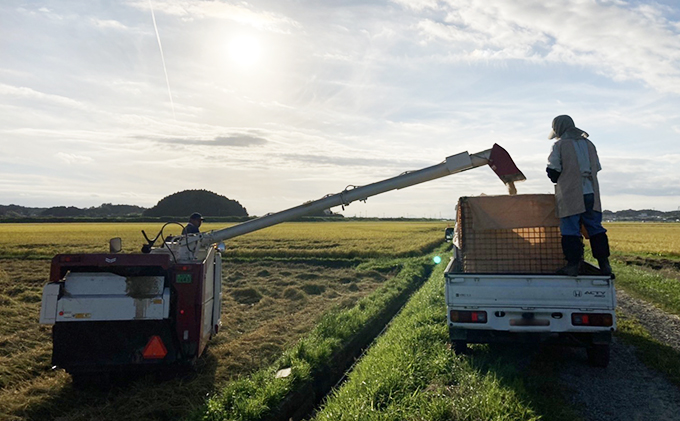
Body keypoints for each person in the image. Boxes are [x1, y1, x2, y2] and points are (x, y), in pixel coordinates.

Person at [546, 115, 612, 276]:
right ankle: (605, 265)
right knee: (595, 228)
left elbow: (553, 170)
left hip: (570, 193)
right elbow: (597, 167)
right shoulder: (589, 144)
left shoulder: (559, 145)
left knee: (570, 229)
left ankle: (573, 265)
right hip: (591, 192)